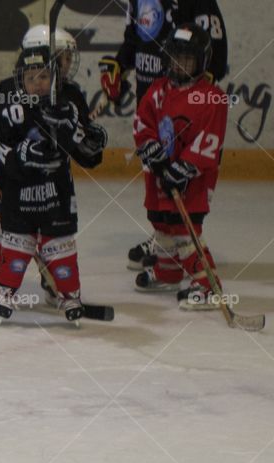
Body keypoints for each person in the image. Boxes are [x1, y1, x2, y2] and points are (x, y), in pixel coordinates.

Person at [0, 27, 107, 322]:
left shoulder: (69, 94)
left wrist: (90, 144)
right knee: (12, 226)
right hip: (14, 176)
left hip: (53, 183)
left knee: (52, 231)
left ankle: (52, 279)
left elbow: (85, 153)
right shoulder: (6, 91)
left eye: (67, 59)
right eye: (61, 57)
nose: (67, 65)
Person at [97, 0, 227, 269]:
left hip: (182, 113)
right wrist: (119, 65)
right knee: (157, 186)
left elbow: (215, 55)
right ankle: (164, 241)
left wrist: (192, 100)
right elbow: (135, 39)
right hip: (154, 100)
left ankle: (185, 251)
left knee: (181, 188)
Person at [133, 24, 227, 310]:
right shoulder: (158, 90)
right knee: (162, 225)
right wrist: (151, 150)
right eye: (174, 58)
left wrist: (184, 169)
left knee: (185, 232)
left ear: (201, 62)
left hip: (193, 181)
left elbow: (209, 141)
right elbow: (142, 123)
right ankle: (169, 272)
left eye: (186, 60)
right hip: (160, 175)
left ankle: (207, 285)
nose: (179, 65)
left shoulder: (213, 97)